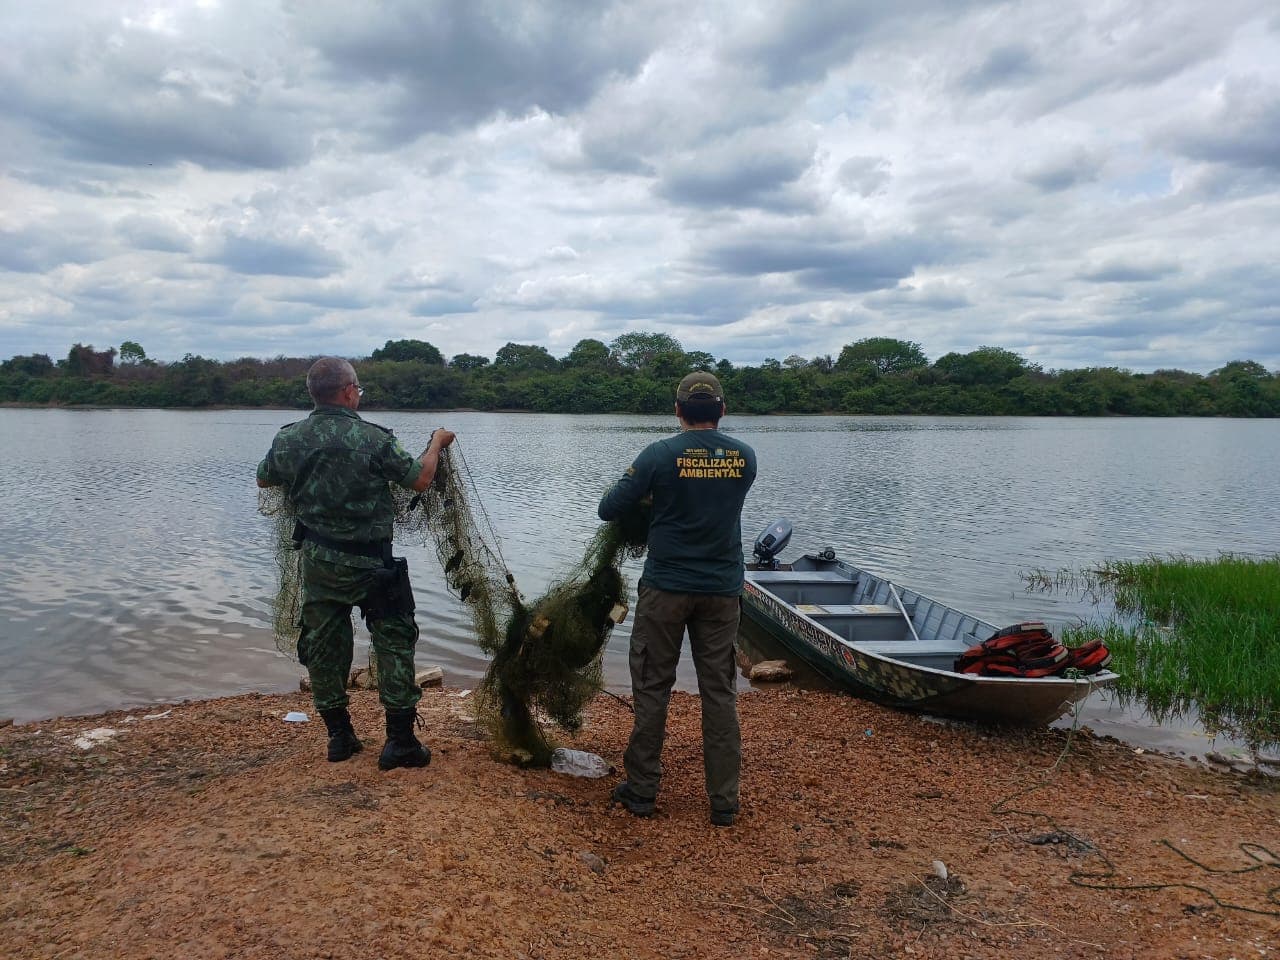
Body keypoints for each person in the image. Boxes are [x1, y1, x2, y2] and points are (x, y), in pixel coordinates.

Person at [256, 357, 455, 770]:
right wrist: (437, 442)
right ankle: (399, 743)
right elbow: (419, 478)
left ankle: (339, 737)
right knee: (395, 642)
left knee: (326, 646)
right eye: (358, 389)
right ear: (348, 391)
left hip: (319, 561)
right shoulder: (373, 439)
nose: (358, 395)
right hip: (372, 565)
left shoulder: (289, 439)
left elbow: (264, 478)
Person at [598, 371, 757, 826]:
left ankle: (642, 791)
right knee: (720, 693)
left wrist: (648, 494)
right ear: (722, 410)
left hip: (666, 588)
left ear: (678, 410)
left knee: (652, 686)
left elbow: (609, 507)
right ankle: (724, 804)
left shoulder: (660, 454)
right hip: (722, 592)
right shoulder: (744, 457)